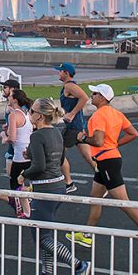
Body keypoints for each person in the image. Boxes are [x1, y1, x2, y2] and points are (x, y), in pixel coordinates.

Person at [65, 83, 138, 260]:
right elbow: (133, 133)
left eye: (94, 93)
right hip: (107, 161)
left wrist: (82, 137)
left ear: (101, 97)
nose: (91, 96)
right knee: (95, 199)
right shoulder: (116, 114)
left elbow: (99, 141)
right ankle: (87, 235)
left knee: (123, 203)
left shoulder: (99, 115)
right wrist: (116, 144)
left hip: (108, 162)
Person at [18, 97, 91, 275]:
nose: (29, 114)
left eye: (32, 111)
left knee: (41, 237)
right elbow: (58, 161)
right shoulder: (57, 133)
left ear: (40, 116)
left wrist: (23, 175)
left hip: (44, 189)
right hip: (58, 186)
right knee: (47, 234)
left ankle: (78, 265)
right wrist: (32, 155)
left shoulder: (37, 136)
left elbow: (39, 166)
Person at [53, 63, 97, 193]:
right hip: (77, 126)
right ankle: (104, 179)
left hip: (74, 127)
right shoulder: (68, 87)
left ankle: (68, 183)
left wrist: (72, 114)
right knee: (88, 156)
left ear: (66, 73)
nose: (58, 73)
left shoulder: (70, 86)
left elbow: (84, 97)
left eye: (60, 71)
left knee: (57, 153)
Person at [0, 88, 33, 219]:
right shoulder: (27, 114)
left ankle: (22, 209)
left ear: (15, 99)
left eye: (10, 96)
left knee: (16, 185)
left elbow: (12, 138)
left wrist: (3, 137)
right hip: (29, 153)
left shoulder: (13, 115)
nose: (8, 98)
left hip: (19, 155)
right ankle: (27, 211)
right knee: (22, 183)